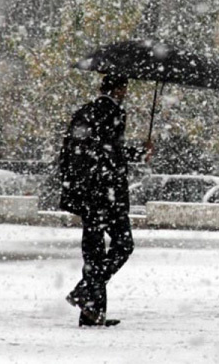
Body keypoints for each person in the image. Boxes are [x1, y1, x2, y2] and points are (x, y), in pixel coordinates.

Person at [60, 73, 154, 326]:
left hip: (87, 194)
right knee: (123, 245)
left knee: (93, 253)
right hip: (107, 194)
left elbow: (76, 150)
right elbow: (110, 151)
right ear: (120, 89)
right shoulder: (113, 112)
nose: (126, 93)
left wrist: (74, 189)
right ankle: (84, 293)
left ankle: (92, 313)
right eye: (125, 88)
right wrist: (138, 152)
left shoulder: (85, 112)